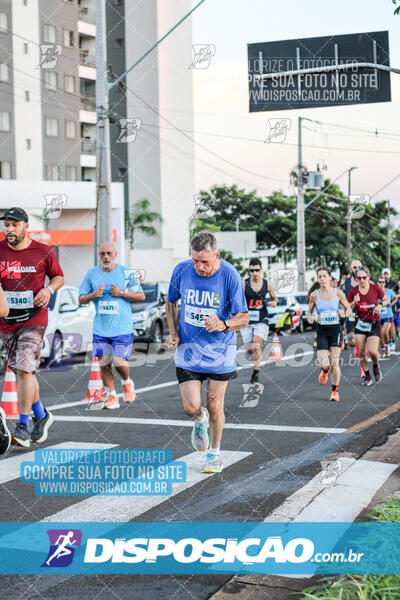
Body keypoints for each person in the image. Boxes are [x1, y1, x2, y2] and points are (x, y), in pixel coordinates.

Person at [166, 231, 249, 474]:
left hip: (219, 351)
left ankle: (214, 453)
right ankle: (199, 421)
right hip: (189, 350)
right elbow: (170, 301)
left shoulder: (229, 275)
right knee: (191, 406)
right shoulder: (181, 270)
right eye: (195, 260)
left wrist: (224, 324)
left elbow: (243, 316)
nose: (199, 267)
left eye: (205, 261)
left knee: (215, 403)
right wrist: (173, 332)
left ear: (217, 255)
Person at [0, 207, 64, 448]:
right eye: (6, 225)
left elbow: (58, 276)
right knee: (21, 371)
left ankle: (23, 426)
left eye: (14, 225)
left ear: (26, 226)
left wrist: (48, 289)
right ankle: (42, 414)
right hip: (7, 320)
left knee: (25, 370)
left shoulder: (43, 252)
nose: (9, 229)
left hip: (34, 319)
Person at [78, 242, 145, 409]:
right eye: (102, 254)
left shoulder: (126, 272)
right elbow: (81, 299)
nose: (105, 256)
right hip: (101, 328)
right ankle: (112, 396)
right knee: (104, 363)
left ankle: (126, 381)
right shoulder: (91, 274)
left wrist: (121, 293)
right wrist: (93, 295)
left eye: (109, 253)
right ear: (98, 255)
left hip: (122, 328)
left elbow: (141, 296)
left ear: (115, 254)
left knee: (118, 361)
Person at [307, 267, 352, 402]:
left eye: (324, 276)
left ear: (330, 278)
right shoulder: (314, 295)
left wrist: (345, 313)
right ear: (318, 279)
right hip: (322, 331)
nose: (322, 279)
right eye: (319, 277)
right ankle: (325, 371)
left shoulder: (338, 293)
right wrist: (312, 318)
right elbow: (309, 313)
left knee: (335, 362)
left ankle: (334, 391)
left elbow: (348, 308)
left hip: (335, 331)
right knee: (323, 364)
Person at [347, 266, 388, 385]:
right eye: (359, 278)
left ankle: (375, 365)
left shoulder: (375, 289)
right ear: (356, 279)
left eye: (364, 277)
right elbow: (348, 309)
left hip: (374, 323)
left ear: (368, 277)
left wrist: (380, 305)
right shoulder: (353, 292)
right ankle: (367, 376)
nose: (362, 280)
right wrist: (354, 301)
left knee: (372, 351)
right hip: (360, 323)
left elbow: (385, 300)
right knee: (361, 352)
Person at [241, 258, 277, 383]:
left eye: (257, 270)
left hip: (262, 319)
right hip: (247, 320)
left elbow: (275, 299)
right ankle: (253, 357)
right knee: (250, 349)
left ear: (261, 270)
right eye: (252, 270)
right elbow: (237, 299)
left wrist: (273, 303)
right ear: (249, 271)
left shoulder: (268, 284)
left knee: (256, 345)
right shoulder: (244, 284)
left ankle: (255, 373)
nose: (254, 273)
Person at [377, 277, 395, 357]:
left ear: (385, 283)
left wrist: (392, 303)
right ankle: (383, 350)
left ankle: (387, 347)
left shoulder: (389, 291)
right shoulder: (375, 292)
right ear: (377, 283)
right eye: (380, 282)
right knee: (380, 335)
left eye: (383, 282)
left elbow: (395, 298)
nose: (382, 284)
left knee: (385, 332)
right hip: (379, 316)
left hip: (388, 315)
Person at [382, 268, 398, 351]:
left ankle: (392, 341)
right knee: (384, 328)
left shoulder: (394, 283)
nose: (385, 275)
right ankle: (386, 342)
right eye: (384, 274)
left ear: (389, 275)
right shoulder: (381, 283)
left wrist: (392, 302)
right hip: (382, 309)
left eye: (387, 274)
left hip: (391, 307)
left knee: (391, 325)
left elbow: (399, 293)